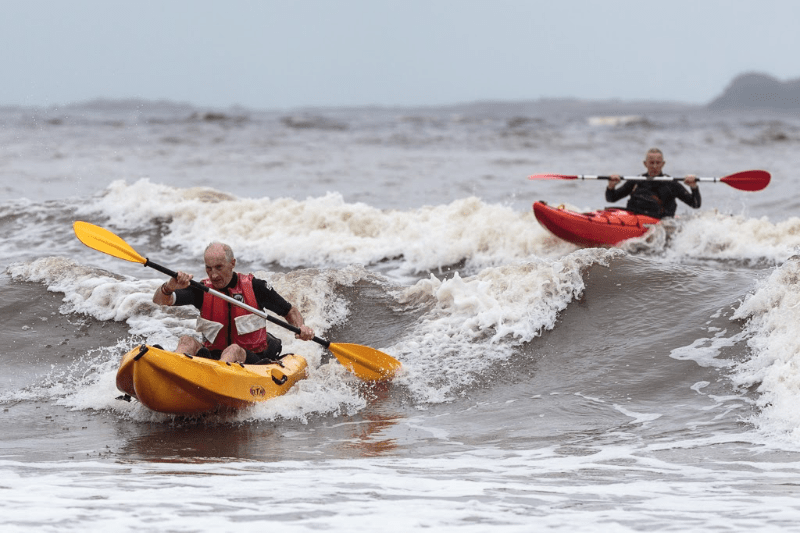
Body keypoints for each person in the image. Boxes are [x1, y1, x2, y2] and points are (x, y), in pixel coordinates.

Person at [153, 241, 315, 364]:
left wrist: (301, 327)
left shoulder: (255, 287)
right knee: (186, 341)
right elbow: (159, 301)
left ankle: (214, 380)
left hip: (251, 359)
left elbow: (290, 311)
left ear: (232, 263)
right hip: (214, 356)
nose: (213, 275)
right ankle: (171, 370)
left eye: (219, 267)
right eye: (209, 268)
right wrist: (169, 287)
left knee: (233, 350)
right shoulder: (202, 290)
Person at [606, 148, 701, 219]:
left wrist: (693, 187)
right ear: (645, 164)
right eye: (651, 163)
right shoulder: (636, 180)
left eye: (658, 163)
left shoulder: (671, 184)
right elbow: (611, 199)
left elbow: (695, 204)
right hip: (634, 220)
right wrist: (611, 186)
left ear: (663, 164)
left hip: (659, 222)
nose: (654, 166)